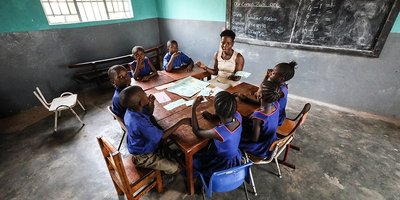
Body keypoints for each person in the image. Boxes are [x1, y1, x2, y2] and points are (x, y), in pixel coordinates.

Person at [119, 85, 190, 174]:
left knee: (164, 141)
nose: (146, 94)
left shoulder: (131, 110)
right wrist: (181, 122)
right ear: (141, 103)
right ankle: (167, 173)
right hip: (143, 156)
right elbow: (162, 135)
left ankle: (162, 154)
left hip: (140, 145)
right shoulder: (139, 122)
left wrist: (151, 103)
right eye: (144, 94)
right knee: (177, 168)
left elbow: (149, 113)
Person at [191, 91, 242, 180]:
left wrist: (193, 107)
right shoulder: (238, 116)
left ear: (217, 110)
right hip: (235, 157)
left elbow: (197, 131)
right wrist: (213, 116)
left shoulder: (220, 132)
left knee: (194, 161)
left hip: (222, 163)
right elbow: (226, 117)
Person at [240, 61, 297, 126]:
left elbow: (259, 94)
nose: (271, 73)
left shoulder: (278, 91)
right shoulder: (280, 85)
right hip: (274, 112)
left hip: (275, 118)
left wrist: (247, 99)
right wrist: (267, 76)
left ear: (281, 78)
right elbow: (262, 91)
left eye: (273, 73)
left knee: (245, 117)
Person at [239, 80, 282, 159]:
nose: (256, 92)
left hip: (261, 147)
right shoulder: (276, 104)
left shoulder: (259, 117)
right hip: (271, 139)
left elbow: (254, 139)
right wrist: (248, 100)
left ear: (260, 95)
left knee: (233, 137)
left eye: (258, 90)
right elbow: (262, 105)